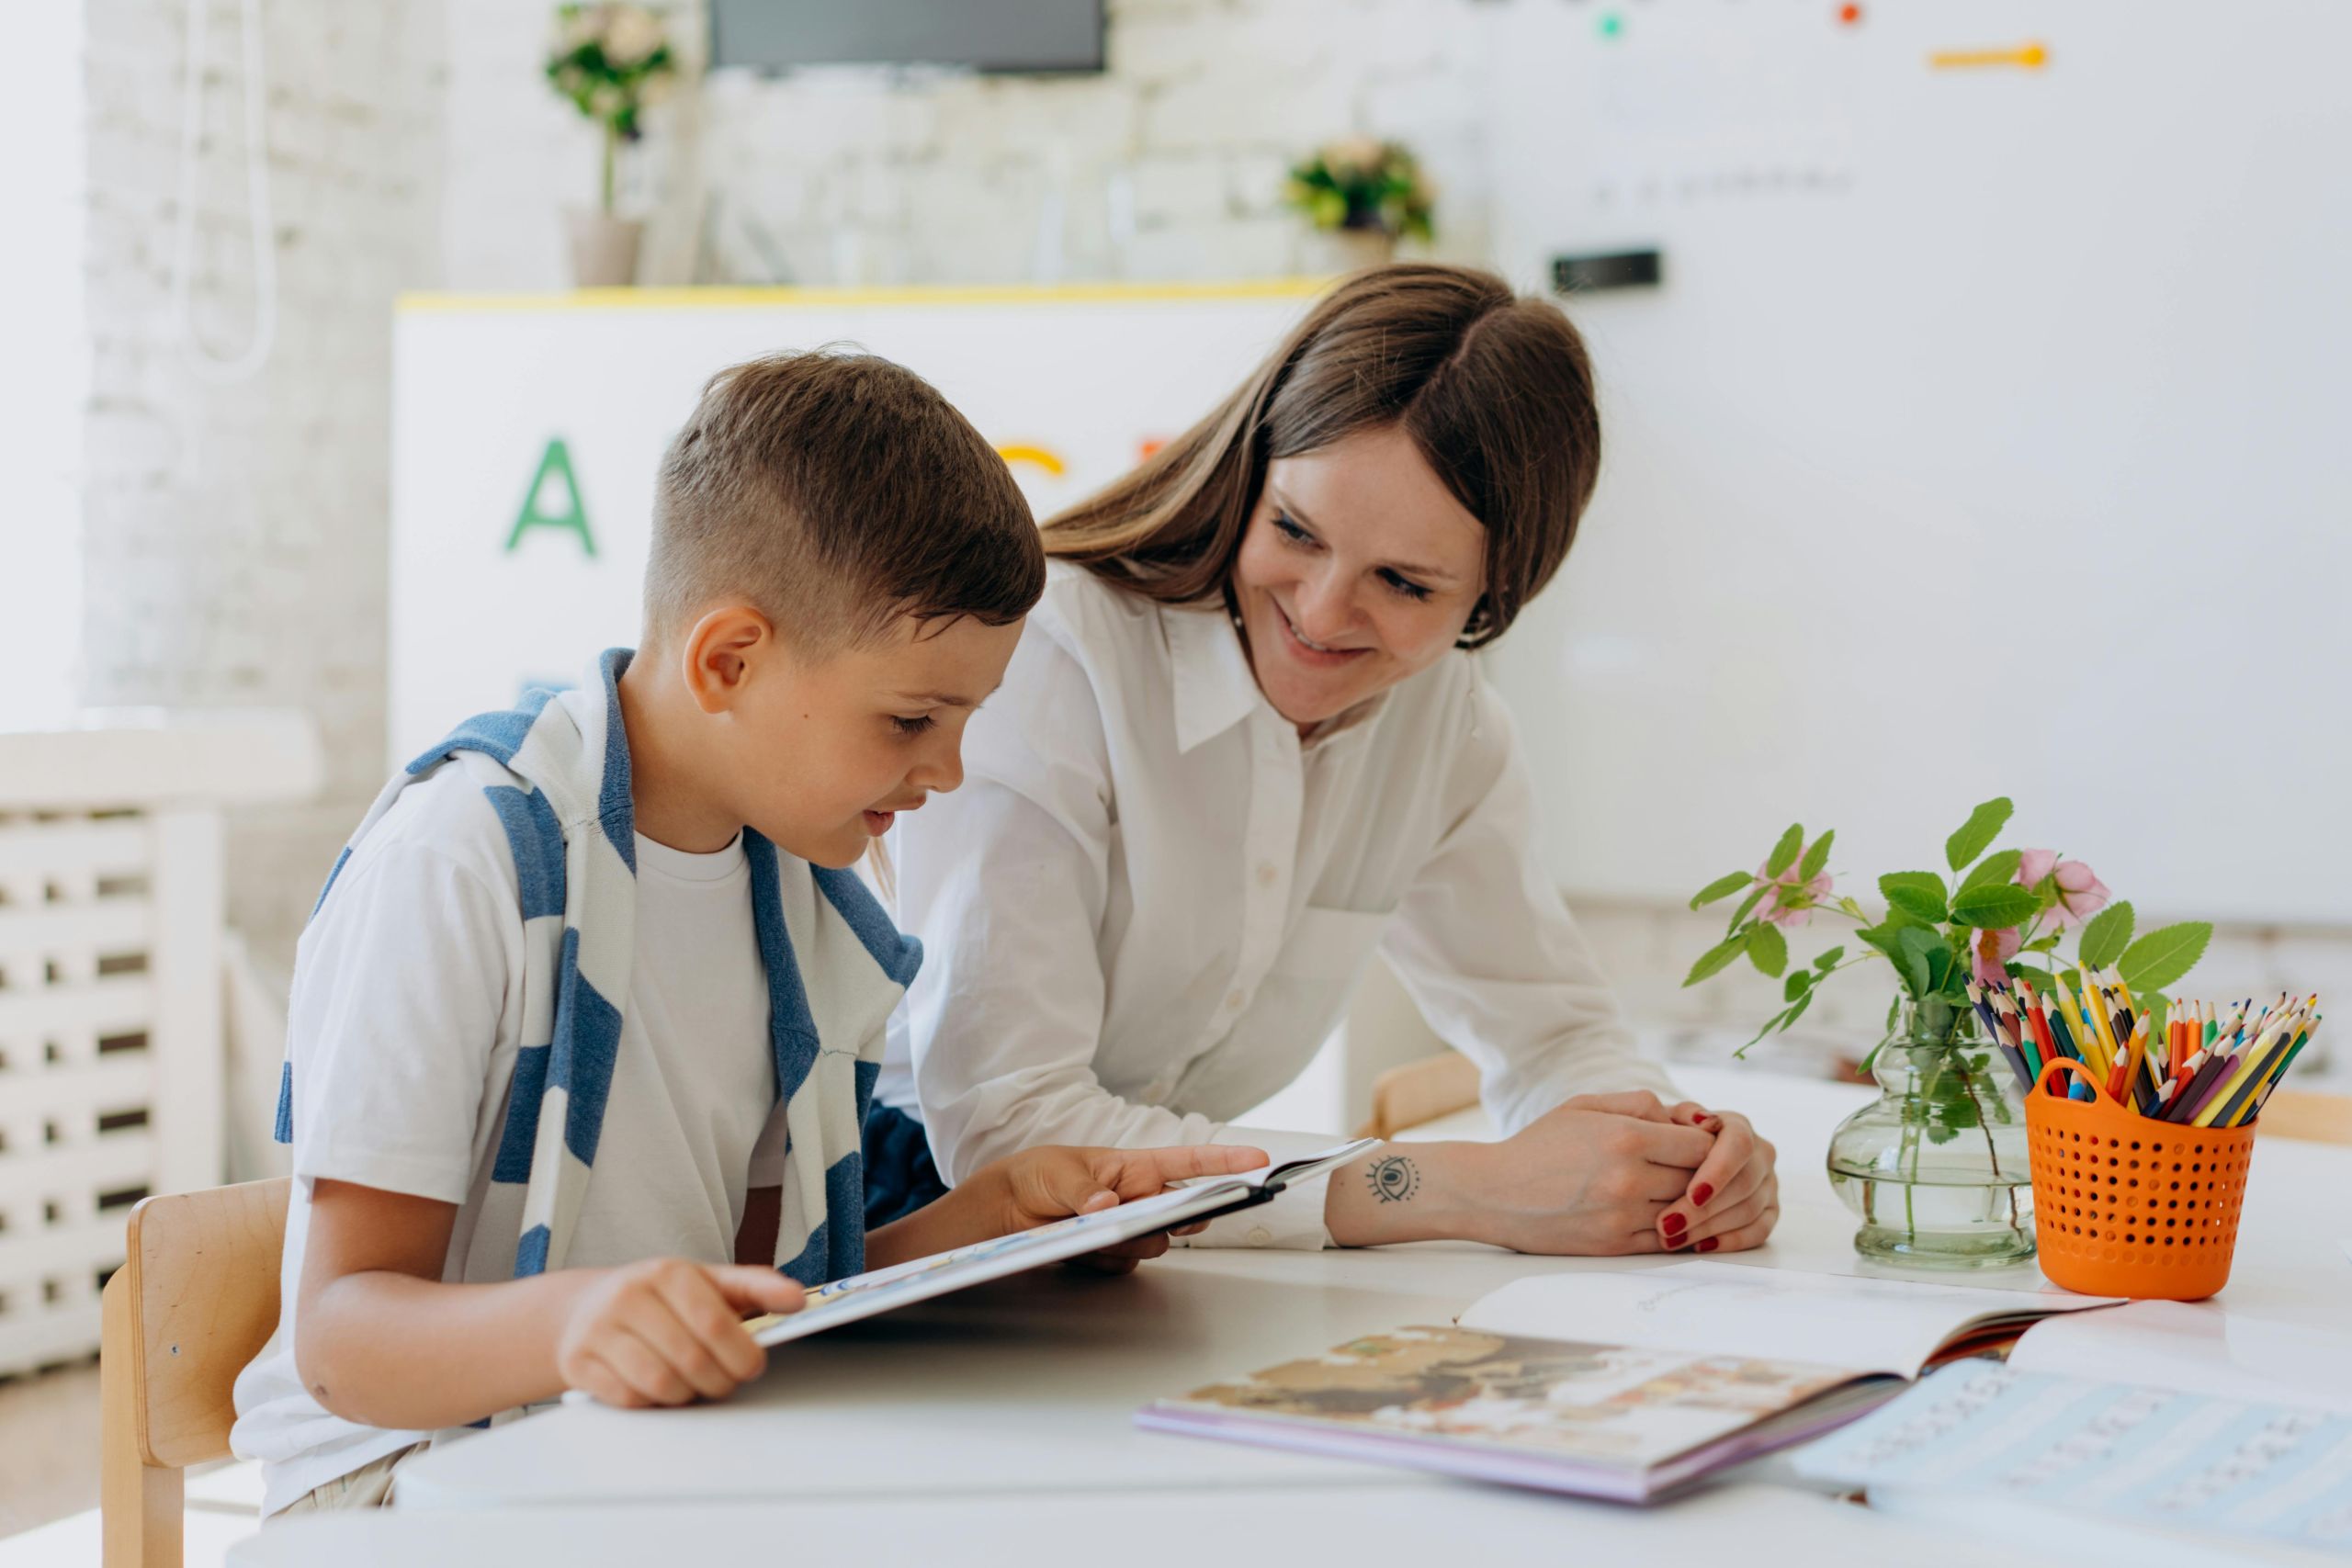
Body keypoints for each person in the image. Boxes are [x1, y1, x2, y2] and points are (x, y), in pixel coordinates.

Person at [231, 351, 1262, 1517]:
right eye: (911, 718)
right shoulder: (464, 857)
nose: (948, 769)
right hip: (397, 1483)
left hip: (635, 1454)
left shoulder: (798, 891)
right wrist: (574, 1321)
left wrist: (991, 1229)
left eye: (967, 719)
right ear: (729, 660)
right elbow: (340, 1341)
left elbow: (764, 1297)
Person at [876, 264, 1778, 1257]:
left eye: (1402, 582)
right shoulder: (1057, 656)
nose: (1318, 612)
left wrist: (1670, 1156)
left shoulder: (1445, 725)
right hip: (919, 1214)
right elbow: (1008, 1127)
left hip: (1159, 1243)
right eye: (1294, 531)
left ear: (1496, 595)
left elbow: (1551, 1034)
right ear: (1249, 475)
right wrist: (1461, 1186)